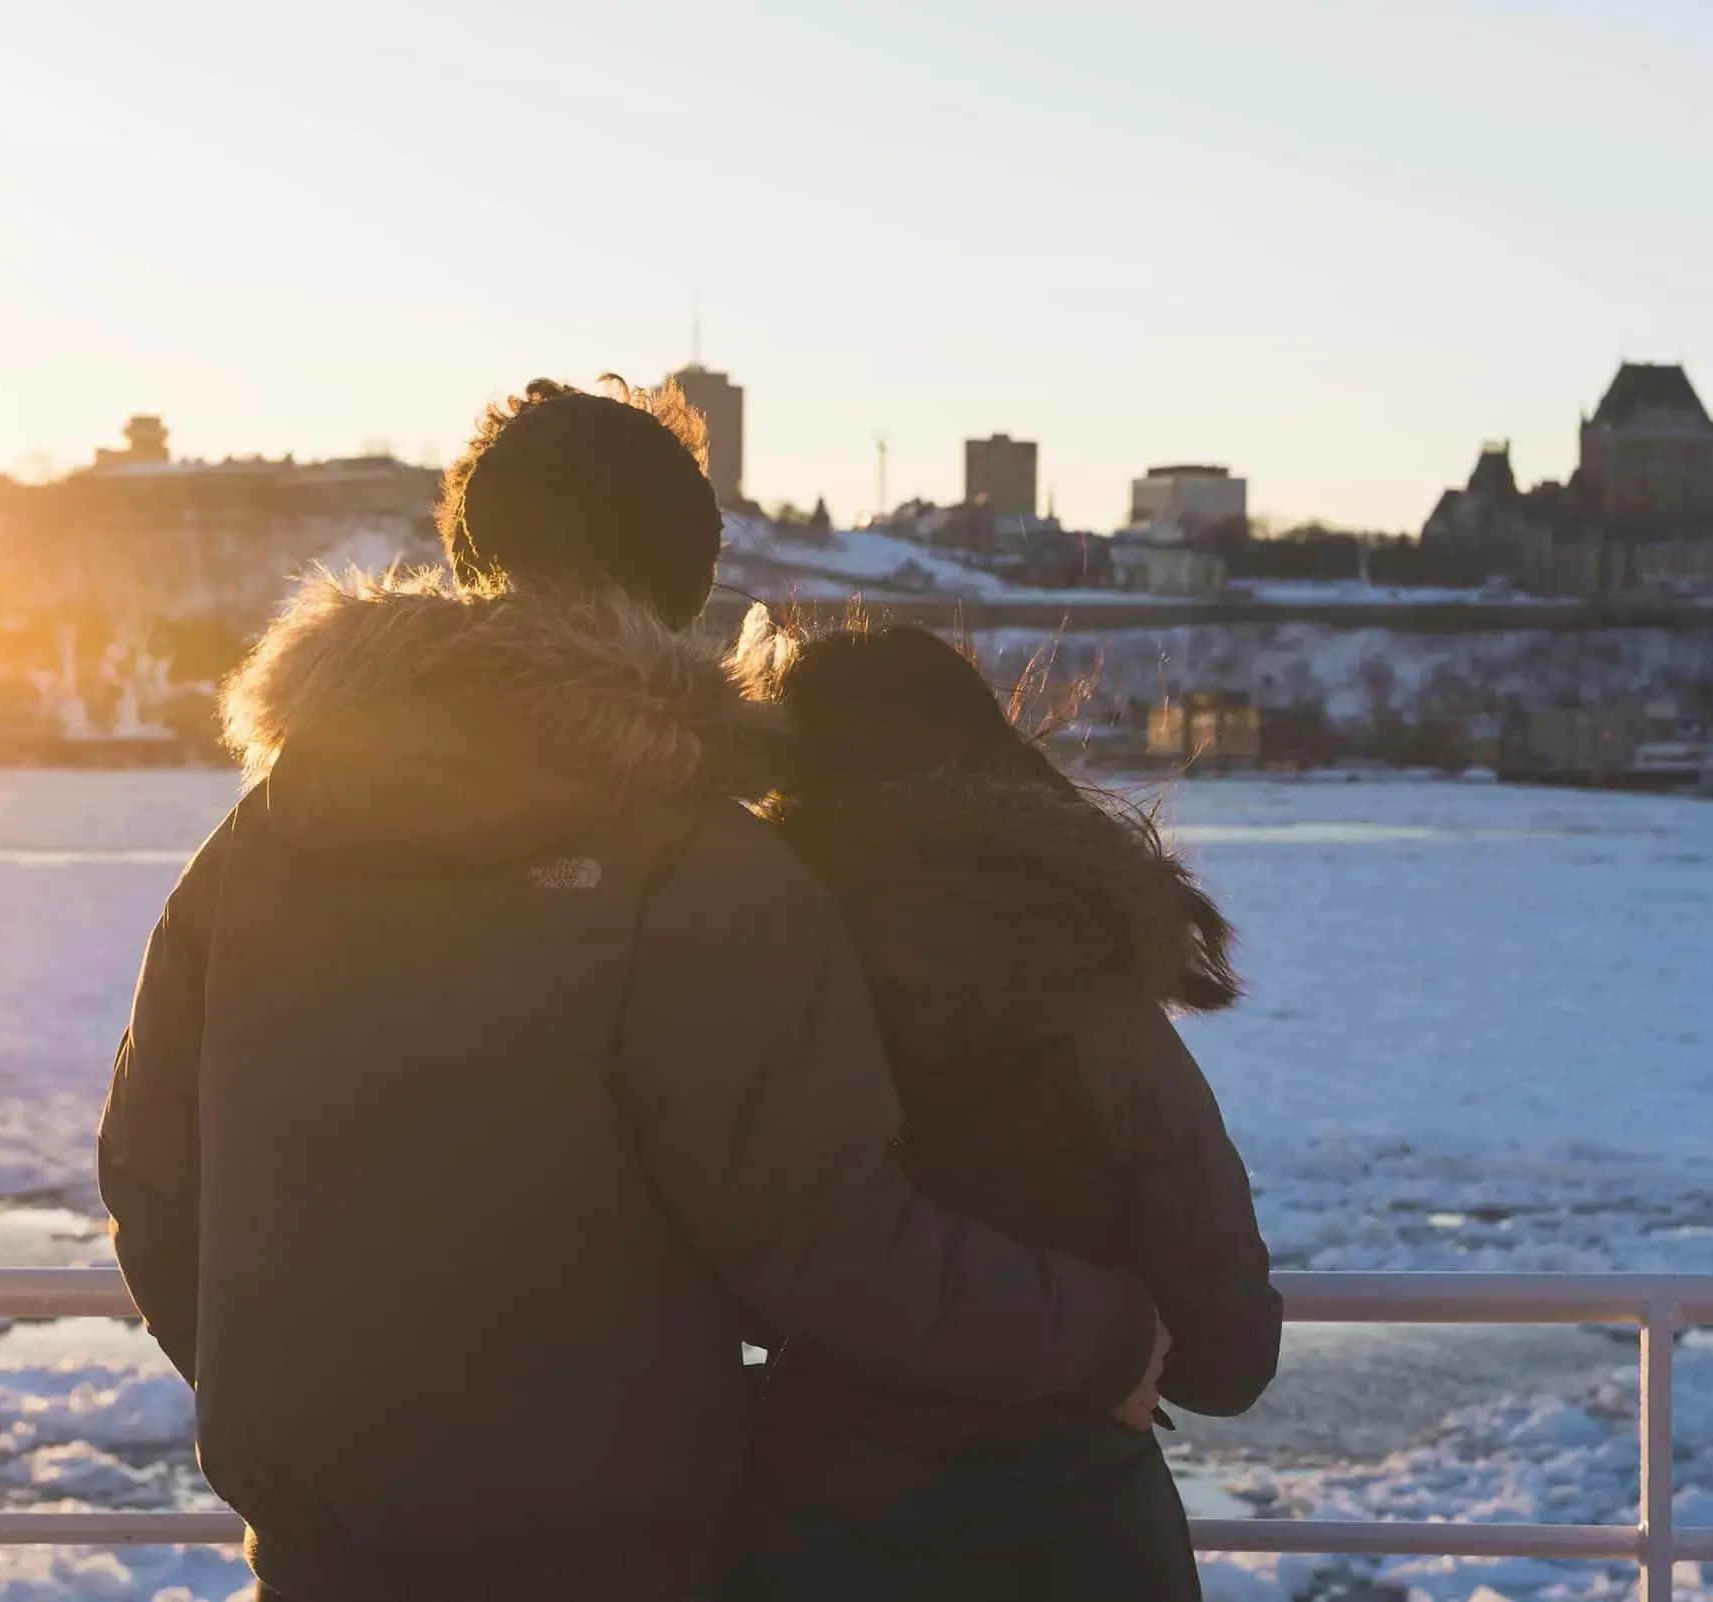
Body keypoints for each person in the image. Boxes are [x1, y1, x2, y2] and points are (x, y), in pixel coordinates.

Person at [97, 378, 1166, 1602]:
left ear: (464, 558)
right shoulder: (696, 865)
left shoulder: (257, 848)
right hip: (618, 1560)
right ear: (686, 592)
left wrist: (314, 1409)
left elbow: (149, 1173)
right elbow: (816, 1237)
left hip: (320, 1552)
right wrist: (1100, 1335)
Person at [727, 620, 1282, 1602]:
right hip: (1079, 1544)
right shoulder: (1088, 988)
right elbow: (1228, 1354)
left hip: (820, 1530)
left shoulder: (756, 970)